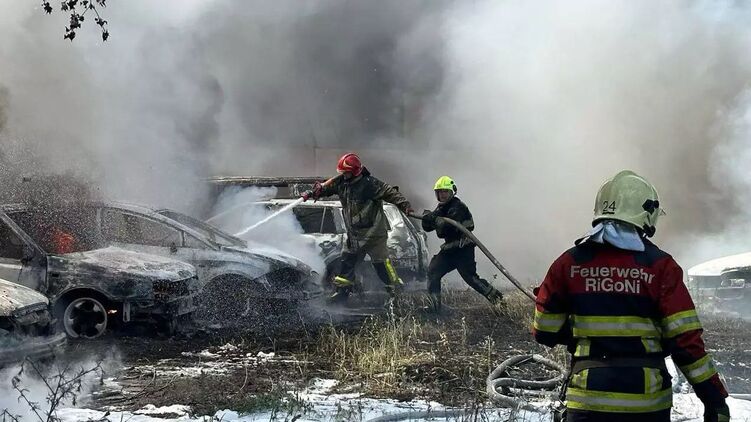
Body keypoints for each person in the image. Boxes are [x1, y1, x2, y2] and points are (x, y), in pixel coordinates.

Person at [533, 170, 729, 422]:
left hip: (588, 402)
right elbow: (686, 343)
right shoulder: (661, 267)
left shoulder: (568, 264)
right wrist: (714, 399)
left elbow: (545, 331)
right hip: (647, 406)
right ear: (646, 212)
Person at [303, 153, 414, 302]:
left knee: (382, 264)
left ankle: (396, 292)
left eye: (346, 172)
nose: (343, 175)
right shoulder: (342, 183)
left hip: (374, 234)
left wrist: (404, 205)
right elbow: (326, 189)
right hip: (354, 235)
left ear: (355, 172)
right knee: (347, 264)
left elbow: (390, 192)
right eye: (342, 172)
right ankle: (342, 293)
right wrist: (314, 192)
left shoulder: (369, 184)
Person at [421, 176, 503, 312]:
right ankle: (434, 308)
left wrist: (435, 220)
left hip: (463, 249)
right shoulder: (441, 207)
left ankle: (498, 300)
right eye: (440, 192)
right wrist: (427, 219)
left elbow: (445, 229)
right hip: (449, 250)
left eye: (445, 191)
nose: (442, 195)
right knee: (433, 272)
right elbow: (428, 227)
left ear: (452, 192)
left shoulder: (458, 207)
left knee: (471, 278)